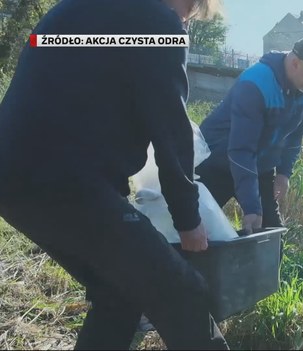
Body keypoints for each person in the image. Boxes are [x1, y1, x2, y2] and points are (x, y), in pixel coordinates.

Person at [0, 0, 229, 349]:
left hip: (13, 170)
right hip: (64, 179)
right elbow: (171, 129)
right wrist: (188, 220)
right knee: (180, 291)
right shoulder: (157, 22)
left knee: (119, 290)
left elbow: (79, 99)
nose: (187, 23)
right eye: (191, 13)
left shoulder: (80, 8)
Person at [195, 36, 303, 234]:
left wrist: (283, 173)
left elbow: (295, 136)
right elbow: (240, 150)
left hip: (259, 166)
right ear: (295, 63)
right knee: (198, 232)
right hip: (219, 163)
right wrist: (251, 206)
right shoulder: (255, 84)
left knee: (271, 239)